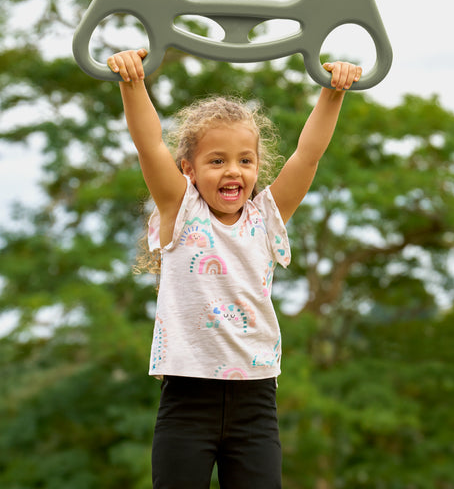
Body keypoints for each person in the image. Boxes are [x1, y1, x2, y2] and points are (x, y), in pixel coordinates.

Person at [107, 48, 362, 489]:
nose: (234, 171)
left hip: (255, 402)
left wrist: (333, 92)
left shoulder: (267, 218)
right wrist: (133, 83)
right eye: (217, 160)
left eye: (246, 160)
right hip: (188, 400)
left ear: (258, 167)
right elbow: (149, 144)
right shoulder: (180, 210)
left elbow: (308, 155)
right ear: (188, 169)